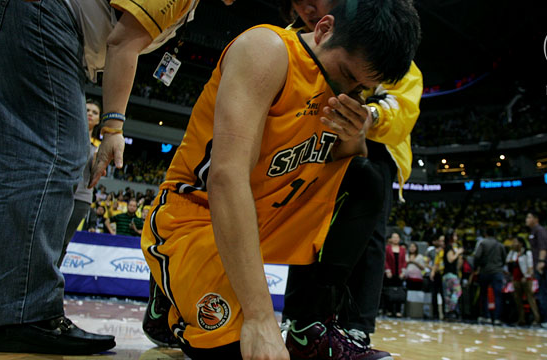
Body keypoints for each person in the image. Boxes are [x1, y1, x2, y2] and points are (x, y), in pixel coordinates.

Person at [140, 1, 421, 358]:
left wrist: (353, 136)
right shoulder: (266, 50)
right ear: (323, 30)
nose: (350, 90)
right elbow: (226, 177)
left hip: (267, 214)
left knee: (368, 178)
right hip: (201, 214)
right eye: (349, 76)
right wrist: (259, 318)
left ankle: (309, 325)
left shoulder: (346, 87)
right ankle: (167, 296)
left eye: (363, 87)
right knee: (232, 351)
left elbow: (347, 179)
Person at [0, 1, 238, 354]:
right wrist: (112, 126)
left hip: (35, 18)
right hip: (46, 15)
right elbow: (122, 41)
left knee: (25, 156)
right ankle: (23, 312)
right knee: (56, 153)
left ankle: (13, 306)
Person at [279, 0, 424, 346]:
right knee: (313, 225)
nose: (307, 9)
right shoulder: (283, 39)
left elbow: (403, 108)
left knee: (371, 233)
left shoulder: (385, 39)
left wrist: (368, 117)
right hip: (316, 140)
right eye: (300, 4)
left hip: (375, 144)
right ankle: (300, 319)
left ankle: (356, 324)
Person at [58, 99, 102, 266]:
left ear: (99, 120)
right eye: (88, 110)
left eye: (95, 112)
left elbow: (95, 174)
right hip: (59, 191)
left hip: (81, 197)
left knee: (63, 241)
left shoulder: (99, 146)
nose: (90, 113)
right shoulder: (64, 134)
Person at [525, 211, 547, 328]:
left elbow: (543, 248)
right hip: (540, 266)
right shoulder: (533, 231)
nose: (526, 219)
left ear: (536, 219)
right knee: (542, 293)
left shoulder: (540, 230)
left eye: (529, 217)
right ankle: (544, 320)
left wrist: (541, 262)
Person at [473, 228, 506, 325]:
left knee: (483, 294)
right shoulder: (500, 245)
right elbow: (504, 258)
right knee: (498, 296)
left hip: (485, 271)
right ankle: (497, 318)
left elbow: (477, 256)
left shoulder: (482, 243)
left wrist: (476, 267)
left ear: (485, 234)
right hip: (497, 272)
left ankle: (485, 316)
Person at [506, 236, 540, 326]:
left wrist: (526, 276)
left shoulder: (527, 253)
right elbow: (508, 261)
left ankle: (536, 318)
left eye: (515, 242)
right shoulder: (513, 253)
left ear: (521, 243)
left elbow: (530, 266)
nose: (513, 244)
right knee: (518, 300)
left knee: (530, 298)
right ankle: (521, 319)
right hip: (515, 279)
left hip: (526, 278)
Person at [383, 233, 408, 317]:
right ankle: (389, 310)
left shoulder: (402, 249)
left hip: (399, 273)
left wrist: (403, 272)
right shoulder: (387, 248)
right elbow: (385, 260)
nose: (395, 239)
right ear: (391, 239)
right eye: (394, 237)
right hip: (389, 273)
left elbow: (404, 262)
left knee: (399, 292)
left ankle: (398, 311)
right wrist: (387, 270)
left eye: (397, 237)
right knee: (389, 291)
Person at [442, 230, 463, 320]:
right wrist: (458, 253)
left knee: (448, 294)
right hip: (450, 275)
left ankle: (448, 312)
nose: (456, 237)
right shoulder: (449, 247)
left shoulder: (450, 247)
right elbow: (450, 259)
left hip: (448, 274)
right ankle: (451, 310)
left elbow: (458, 265)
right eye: (454, 235)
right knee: (457, 292)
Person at [429, 234, 446, 320]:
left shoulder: (449, 250)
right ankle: (435, 314)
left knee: (445, 295)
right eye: (440, 240)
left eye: (443, 241)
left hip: (446, 275)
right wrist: (432, 272)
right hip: (438, 274)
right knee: (434, 295)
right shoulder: (436, 251)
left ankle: (445, 314)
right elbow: (436, 263)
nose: (441, 242)